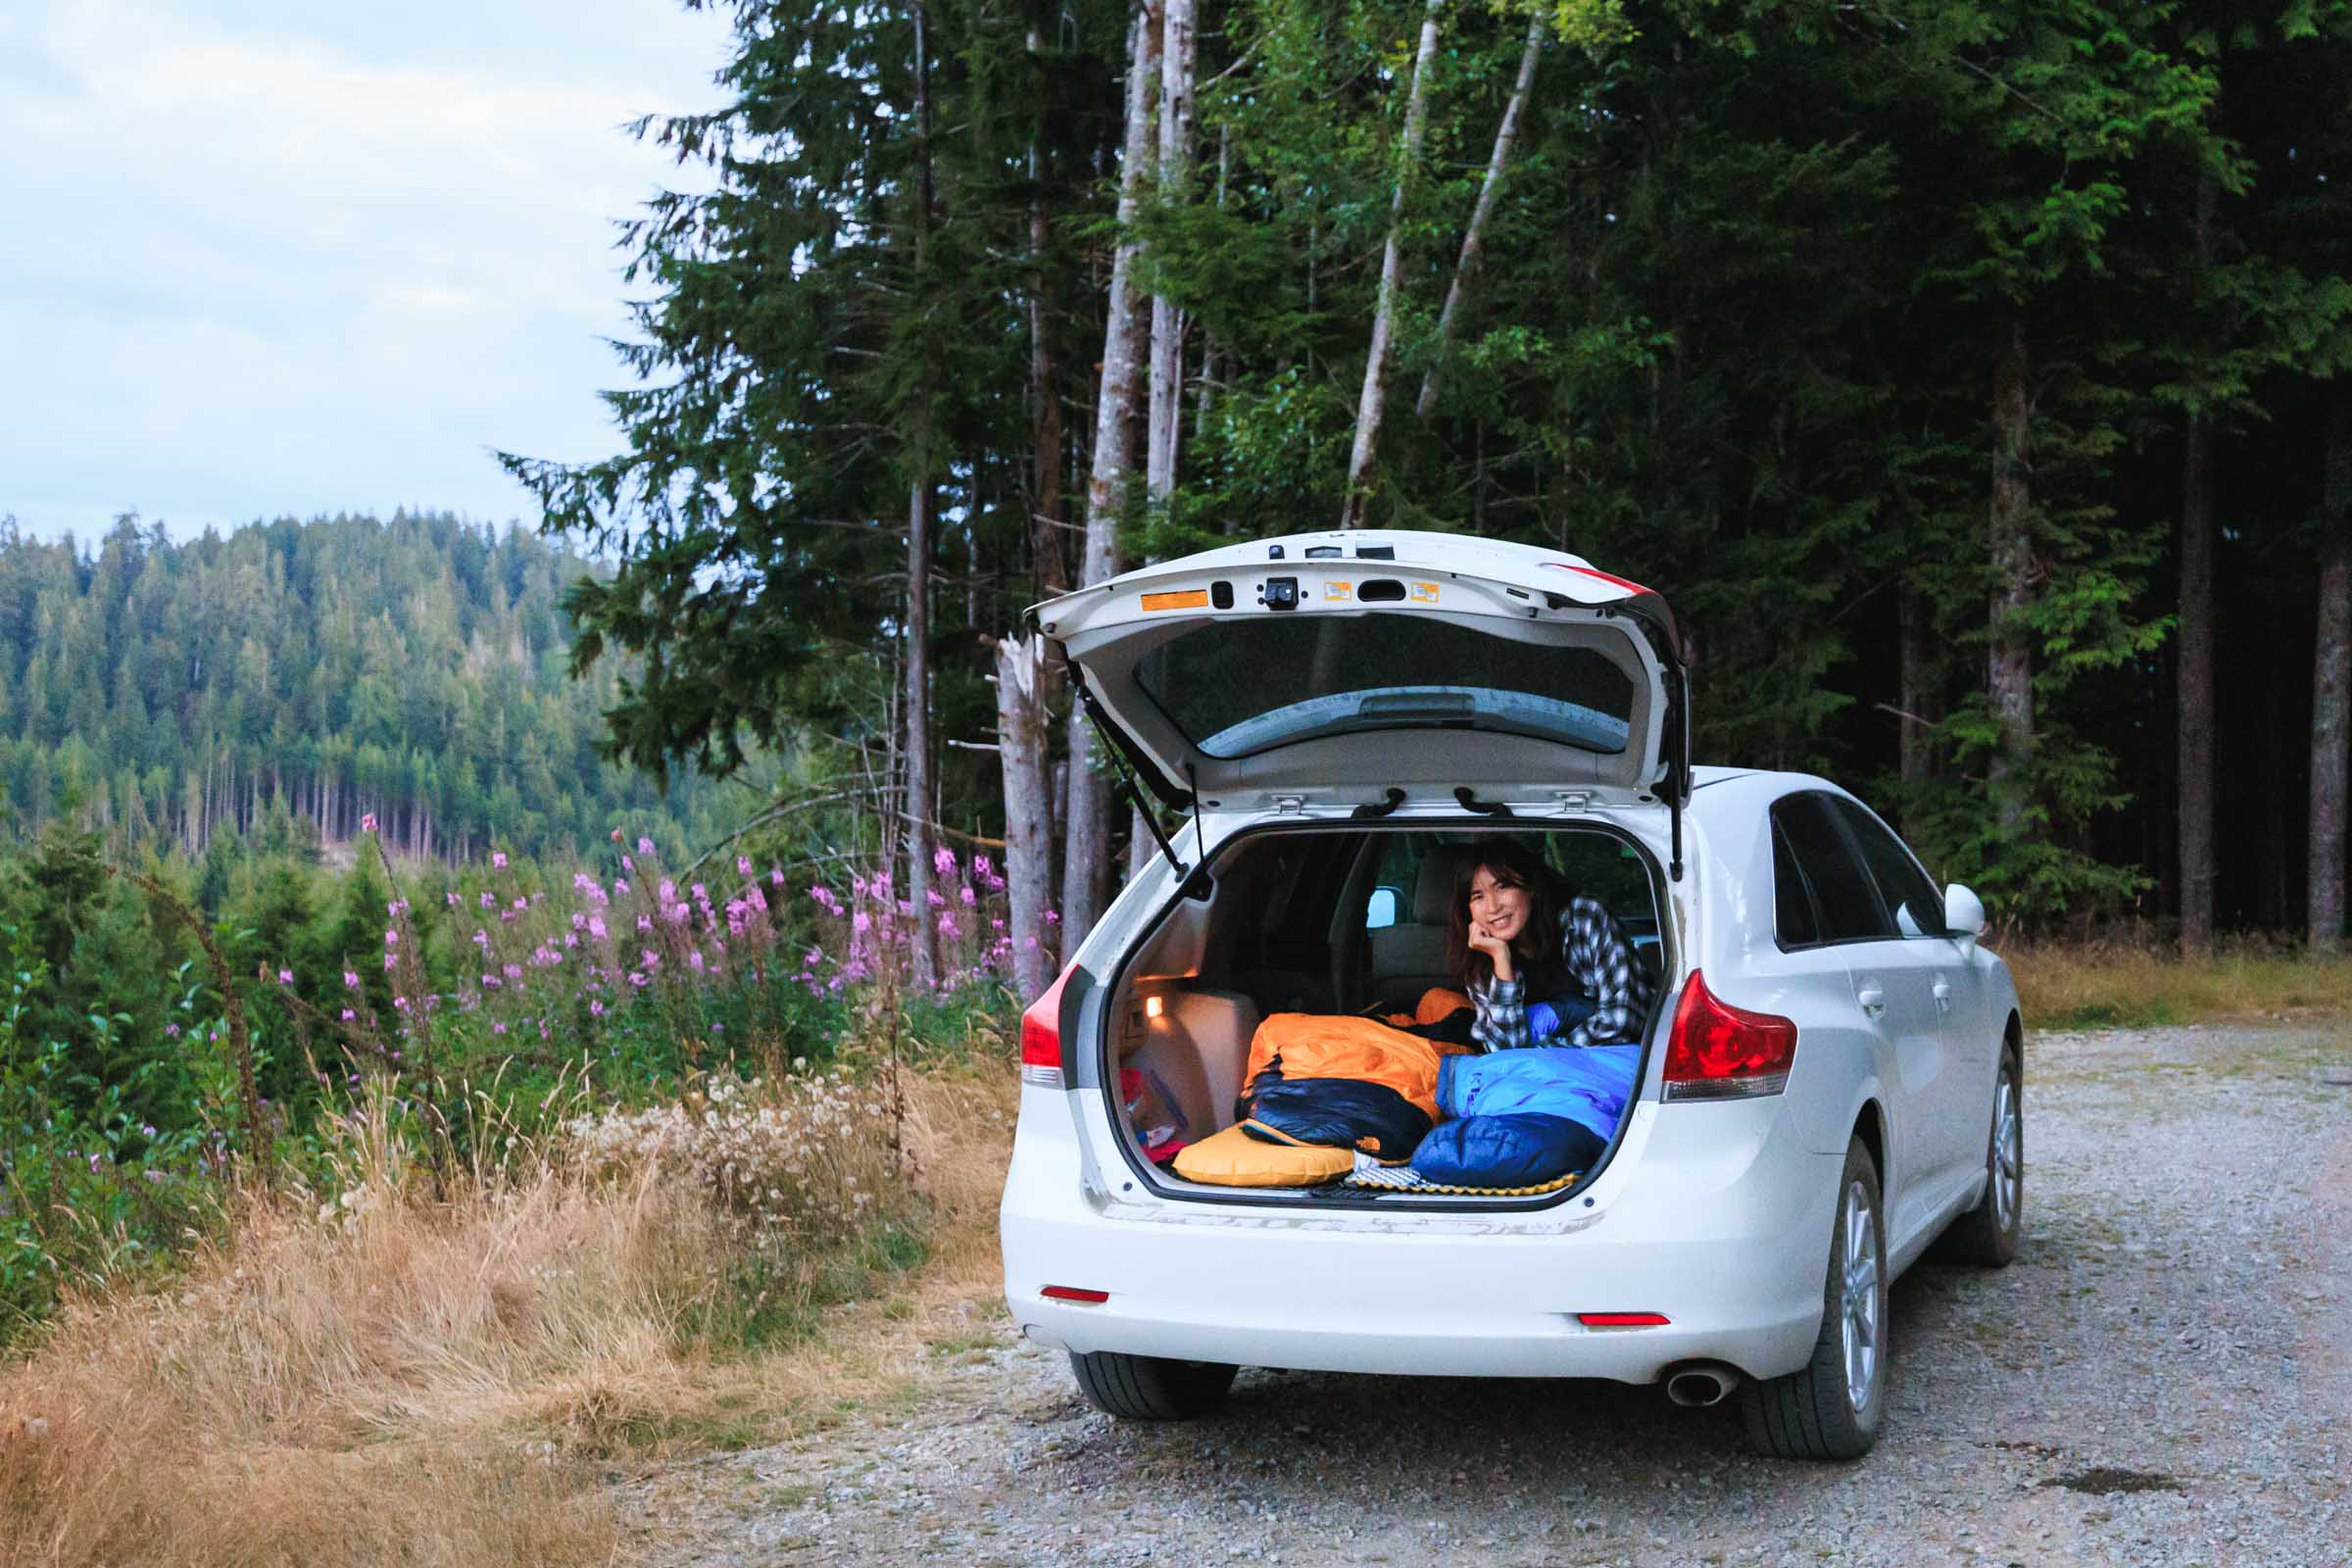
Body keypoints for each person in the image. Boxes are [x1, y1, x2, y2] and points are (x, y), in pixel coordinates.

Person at [1447, 839, 1652, 1052]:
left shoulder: (1584, 918)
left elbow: (1622, 1019)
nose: (1492, 907)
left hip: (1607, 1064)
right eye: (1478, 896)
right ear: (1469, 909)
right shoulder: (1481, 953)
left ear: (1530, 888)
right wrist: (1501, 959)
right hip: (1537, 1075)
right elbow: (1503, 1049)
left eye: (1502, 887)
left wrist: (1549, 1054)